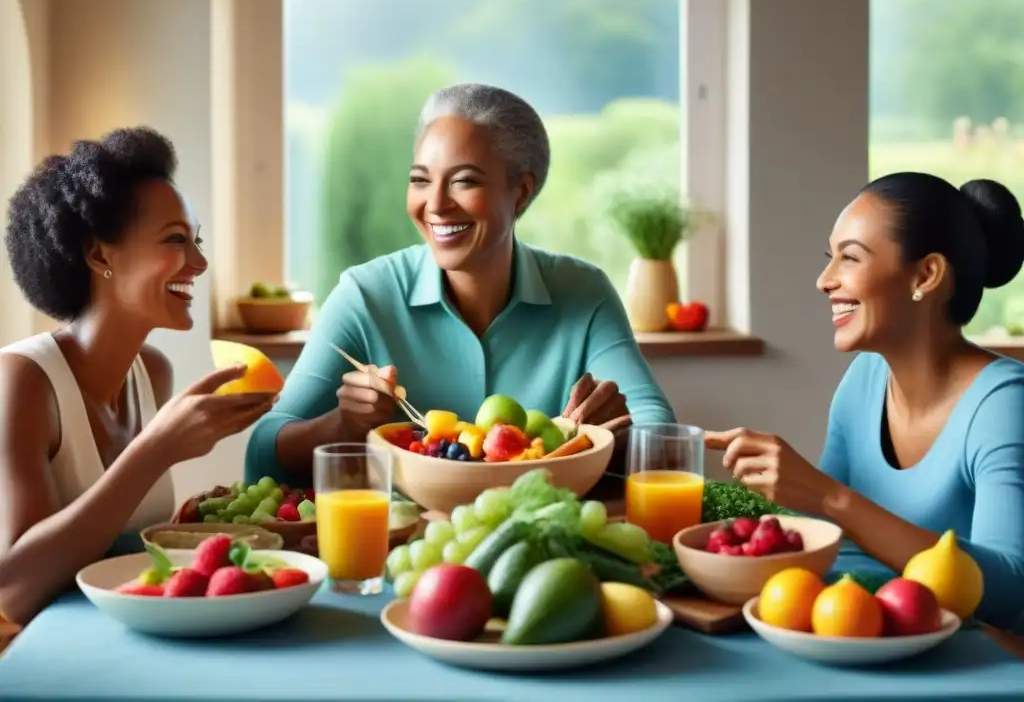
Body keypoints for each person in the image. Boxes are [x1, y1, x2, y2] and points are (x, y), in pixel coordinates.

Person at [246, 83, 676, 485]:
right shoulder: (365, 295)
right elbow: (263, 450)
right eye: (420, 180)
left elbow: (663, 437)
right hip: (398, 545)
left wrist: (613, 437)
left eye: (464, 180)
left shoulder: (583, 292)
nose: (435, 204)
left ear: (521, 192)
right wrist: (342, 424)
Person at [705, 172, 1024, 630]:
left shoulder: (1003, 404)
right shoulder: (866, 379)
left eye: (849, 258)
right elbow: (826, 534)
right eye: (829, 258)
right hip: (866, 637)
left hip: (979, 666)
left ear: (927, 274)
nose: (824, 280)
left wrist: (831, 497)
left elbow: (1010, 589)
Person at [0, 127, 275, 625]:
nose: (200, 262)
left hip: (130, 631)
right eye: (176, 240)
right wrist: (156, 451)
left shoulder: (152, 371)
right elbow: (14, 590)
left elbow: (118, 548)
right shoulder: (20, 381)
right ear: (100, 255)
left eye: (197, 241)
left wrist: (189, 521)